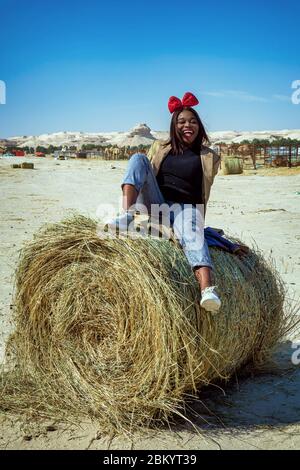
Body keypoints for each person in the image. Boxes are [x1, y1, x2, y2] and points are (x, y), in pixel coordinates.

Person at [104, 92, 222, 312]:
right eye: (182, 121)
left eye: (193, 121)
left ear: (200, 127)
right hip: (156, 203)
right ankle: (128, 215)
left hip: (186, 209)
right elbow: (144, 172)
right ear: (173, 126)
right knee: (137, 159)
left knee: (191, 232)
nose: (188, 125)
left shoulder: (209, 156)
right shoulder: (160, 148)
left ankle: (207, 290)